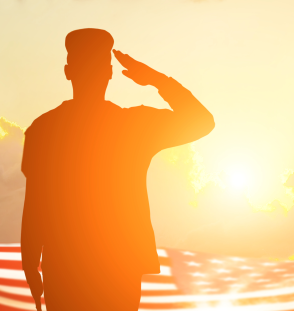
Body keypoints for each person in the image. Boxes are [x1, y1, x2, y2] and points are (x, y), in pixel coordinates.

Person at [21, 28, 215, 311]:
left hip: (66, 264)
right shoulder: (132, 126)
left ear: (67, 72)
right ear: (109, 73)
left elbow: (35, 203)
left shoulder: (43, 129)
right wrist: (156, 80)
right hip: (117, 262)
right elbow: (201, 121)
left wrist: (30, 263)